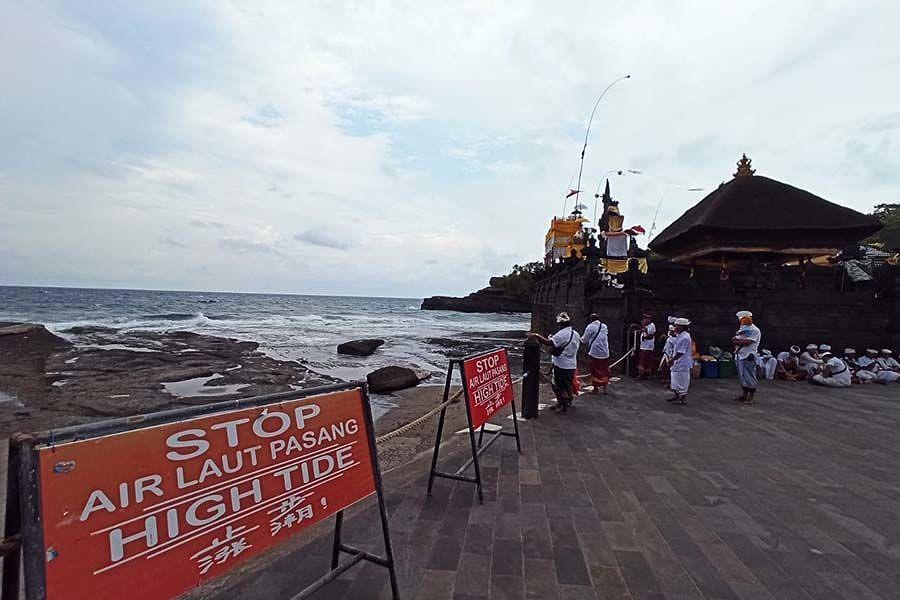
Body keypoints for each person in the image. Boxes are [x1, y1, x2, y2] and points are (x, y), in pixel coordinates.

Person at [528, 312, 581, 412]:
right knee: (567, 385)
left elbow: (548, 343)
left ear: (560, 324)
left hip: (561, 364)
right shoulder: (576, 334)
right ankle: (565, 402)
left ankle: (563, 405)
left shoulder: (562, 334)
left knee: (557, 385)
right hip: (572, 364)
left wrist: (536, 335)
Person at [732, 310, 761, 404]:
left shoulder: (754, 330)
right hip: (740, 355)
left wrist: (737, 342)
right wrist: (737, 341)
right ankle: (744, 395)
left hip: (748, 355)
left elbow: (747, 342)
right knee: (742, 376)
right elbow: (735, 339)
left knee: (750, 375)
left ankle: (751, 397)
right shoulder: (742, 328)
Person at [665, 318, 692, 405]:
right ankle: (676, 395)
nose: (674, 327)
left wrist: (672, 359)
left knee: (682, 380)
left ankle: (682, 399)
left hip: (682, 362)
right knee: (675, 379)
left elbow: (681, 352)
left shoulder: (685, 337)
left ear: (681, 326)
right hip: (677, 362)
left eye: (676, 325)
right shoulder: (680, 335)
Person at [582, 313, 610, 394]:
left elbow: (584, 340)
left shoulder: (590, 327)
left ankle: (595, 389)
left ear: (591, 319)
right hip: (605, 352)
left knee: (595, 370)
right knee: (605, 370)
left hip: (595, 352)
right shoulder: (604, 326)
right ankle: (605, 388)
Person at [637, 313, 657, 378]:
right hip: (643, 346)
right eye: (645, 319)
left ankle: (645, 374)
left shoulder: (652, 326)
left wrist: (643, 326)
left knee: (646, 361)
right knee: (642, 360)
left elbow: (649, 335)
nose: (645, 320)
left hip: (648, 347)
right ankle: (641, 373)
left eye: (647, 319)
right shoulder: (646, 326)